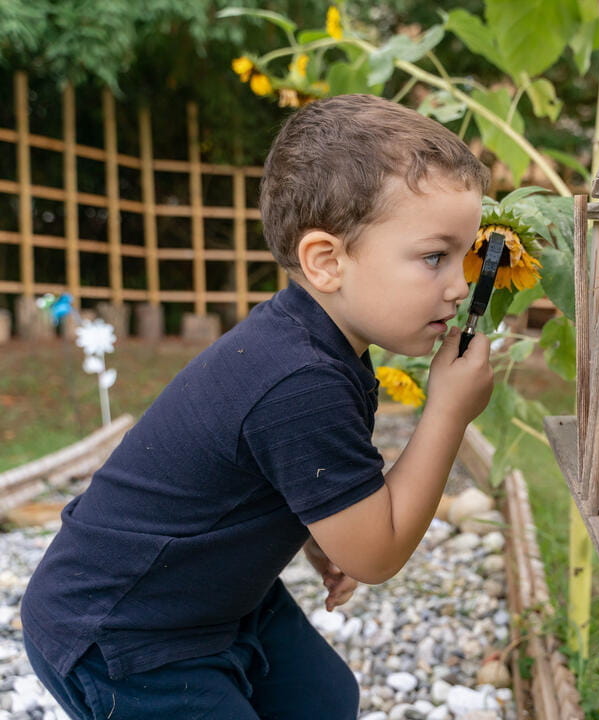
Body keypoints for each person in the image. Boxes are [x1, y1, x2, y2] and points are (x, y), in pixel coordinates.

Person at [21, 94, 494, 719]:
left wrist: (319, 524)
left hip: (210, 594)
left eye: (464, 256)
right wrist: (448, 414)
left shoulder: (315, 343)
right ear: (326, 261)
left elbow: (253, 468)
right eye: (434, 256)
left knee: (323, 700)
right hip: (127, 631)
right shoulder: (300, 381)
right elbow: (375, 555)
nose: (460, 284)